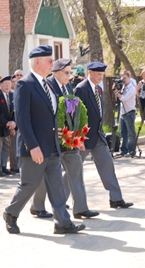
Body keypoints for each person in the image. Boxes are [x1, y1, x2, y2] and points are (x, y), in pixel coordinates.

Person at [3, 45, 85, 234]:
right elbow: (22, 119)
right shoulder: (25, 84)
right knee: (29, 184)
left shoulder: (47, 84)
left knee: (56, 185)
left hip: (52, 146)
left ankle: (63, 222)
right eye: (50, 60)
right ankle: (10, 213)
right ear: (37, 62)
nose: (52, 64)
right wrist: (33, 146)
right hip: (35, 148)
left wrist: (59, 133)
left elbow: (51, 115)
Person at [30, 58, 99, 219]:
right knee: (44, 174)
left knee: (76, 170)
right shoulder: (47, 85)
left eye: (70, 72)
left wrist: (78, 138)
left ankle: (81, 208)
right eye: (66, 73)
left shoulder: (68, 86)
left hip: (69, 140)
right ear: (56, 72)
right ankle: (37, 205)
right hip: (52, 139)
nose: (70, 76)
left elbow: (72, 113)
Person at [75, 61, 133, 209]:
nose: (101, 77)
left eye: (102, 74)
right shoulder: (81, 89)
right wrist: (77, 138)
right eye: (98, 74)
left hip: (98, 136)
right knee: (73, 169)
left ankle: (116, 199)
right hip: (84, 137)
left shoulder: (98, 89)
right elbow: (75, 115)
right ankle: (59, 199)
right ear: (90, 73)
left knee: (107, 165)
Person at [0, 75, 16, 177]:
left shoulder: (11, 95)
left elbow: (14, 111)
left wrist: (13, 123)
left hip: (8, 126)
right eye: (5, 84)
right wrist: (6, 123)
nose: (7, 86)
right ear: (0, 85)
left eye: (9, 84)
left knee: (7, 146)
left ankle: (3, 166)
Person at [114, 71, 137, 157]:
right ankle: (124, 150)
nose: (123, 80)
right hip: (123, 112)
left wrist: (117, 93)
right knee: (123, 133)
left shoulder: (132, 88)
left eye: (125, 78)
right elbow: (119, 98)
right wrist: (116, 89)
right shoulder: (123, 87)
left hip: (130, 112)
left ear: (129, 77)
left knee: (131, 133)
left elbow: (123, 98)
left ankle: (132, 151)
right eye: (122, 78)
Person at [9, 69, 24, 174]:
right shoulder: (10, 93)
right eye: (16, 75)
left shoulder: (24, 90)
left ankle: (20, 164)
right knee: (14, 146)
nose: (18, 77)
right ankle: (15, 166)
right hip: (15, 123)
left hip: (23, 123)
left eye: (20, 75)